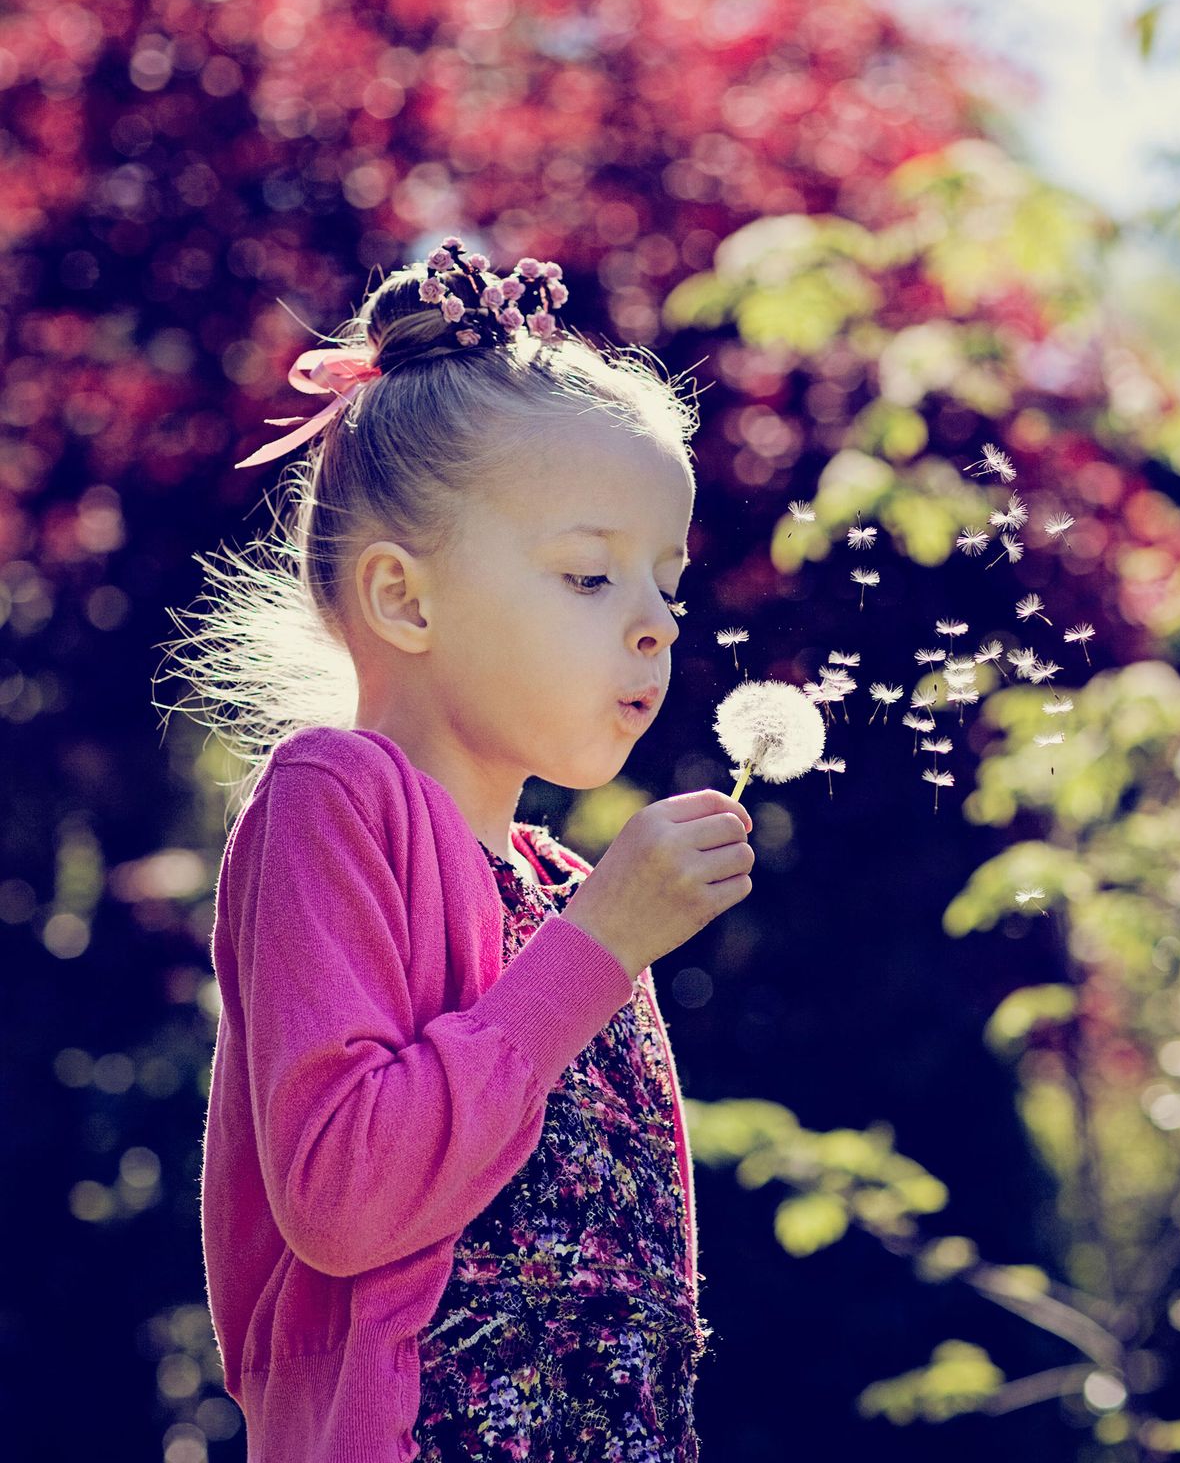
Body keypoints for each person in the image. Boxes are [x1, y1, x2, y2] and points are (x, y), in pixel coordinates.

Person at [158, 238, 755, 1463]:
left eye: (667, 586)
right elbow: (340, 1193)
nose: (652, 626)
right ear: (405, 601)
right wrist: (595, 953)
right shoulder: (334, 801)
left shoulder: (563, 887)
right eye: (590, 576)